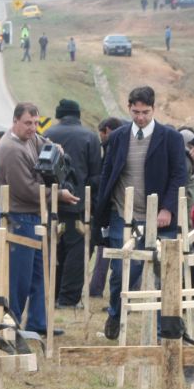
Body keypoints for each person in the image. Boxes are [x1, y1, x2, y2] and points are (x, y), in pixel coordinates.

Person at [95, 86, 186, 340]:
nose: (140, 117)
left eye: (145, 112)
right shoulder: (118, 137)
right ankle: (115, 312)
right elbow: (108, 172)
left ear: (153, 109)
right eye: (136, 112)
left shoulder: (170, 138)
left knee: (163, 274)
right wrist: (102, 208)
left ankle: (163, 331)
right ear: (129, 108)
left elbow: (179, 175)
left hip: (159, 217)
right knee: (123, 272)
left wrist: (167, 207)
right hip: (123, 216)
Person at [0, 102, 77, 335]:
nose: (33, 128)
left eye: (36, 123)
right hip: (20, 217)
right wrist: (59, 195)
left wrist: (55, 147)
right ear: (15, 121)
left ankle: (38, 323)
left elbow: (42, 142)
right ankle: (13, 324)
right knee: (20, 277)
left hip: (34, 216)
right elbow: (27, 190)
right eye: (28, 123)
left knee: (40, 274)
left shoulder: (30, 138)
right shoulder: (11, 149)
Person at [43, 99, 102, 308]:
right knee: (77, 251)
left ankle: (52, 292)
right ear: (78, 115)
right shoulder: (90, 136)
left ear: (59, 115)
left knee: (53, 248)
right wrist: (93, 204)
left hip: (50, 202)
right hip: (79, 205)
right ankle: (68, 298)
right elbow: (95, 175)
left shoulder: (47, 134)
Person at [88, 116, 123, 298]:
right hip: (117, 206)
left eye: (102, 133)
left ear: (107, 130)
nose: (101, 136)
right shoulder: (121, 144)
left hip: (110, 208)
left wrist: (92, 180)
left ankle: (96, 288)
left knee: (105, 247)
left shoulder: (112, 146)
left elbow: (105, 177)